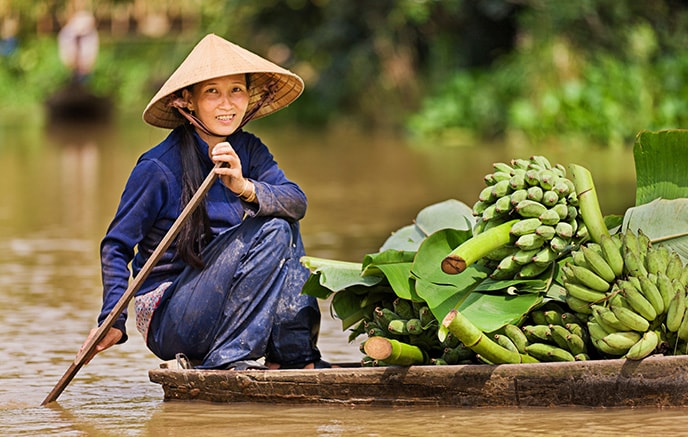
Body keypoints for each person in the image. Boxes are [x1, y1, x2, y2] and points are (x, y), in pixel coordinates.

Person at [80, 33, 328, 371]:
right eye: (213, 92)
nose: (227, 104)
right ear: (188, 101)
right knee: (274, 229)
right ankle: (226, 363)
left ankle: (294, 359)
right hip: (169, 316)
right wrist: (112, 319)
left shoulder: (250, 150)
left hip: (223, 307)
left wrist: (244, 187)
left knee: (284, 221)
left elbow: (296, 201)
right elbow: (116, 245)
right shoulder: (158, 167)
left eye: (236, 90)